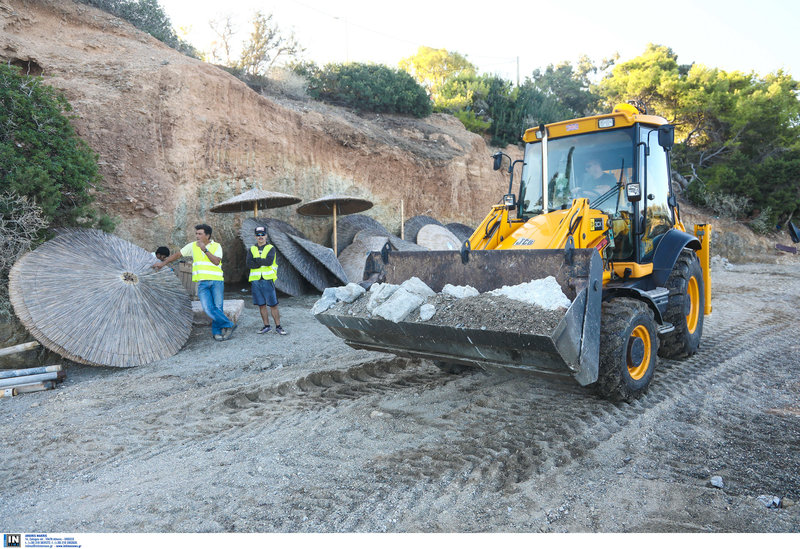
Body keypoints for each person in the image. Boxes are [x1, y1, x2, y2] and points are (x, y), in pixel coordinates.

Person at [153, 224, 236, 341]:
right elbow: (177, 255)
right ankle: (230, 325)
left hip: (217, 281)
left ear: (207, 235)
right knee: (207, 309)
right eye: (196, 233)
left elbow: (216, 261)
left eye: (200, 234)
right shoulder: (192, 246)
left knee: (218, 308)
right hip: (202, 282)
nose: (197, 236)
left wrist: (205, 250)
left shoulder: (217, 246)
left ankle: (217, 332)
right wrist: (162, 264)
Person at [247, 225, 287, 336]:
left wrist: (256, 260)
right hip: (256, 280)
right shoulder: (252, 249)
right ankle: (266, 326)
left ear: (266, 236)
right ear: (255, 236)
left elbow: (269, 262)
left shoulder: (271, 248)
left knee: (273, 304)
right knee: (261, 305)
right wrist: (261, 261)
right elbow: (249, 264)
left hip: (267, 279)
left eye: (262, 234)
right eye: (258, 235)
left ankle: (278, 326)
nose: (260, 237)